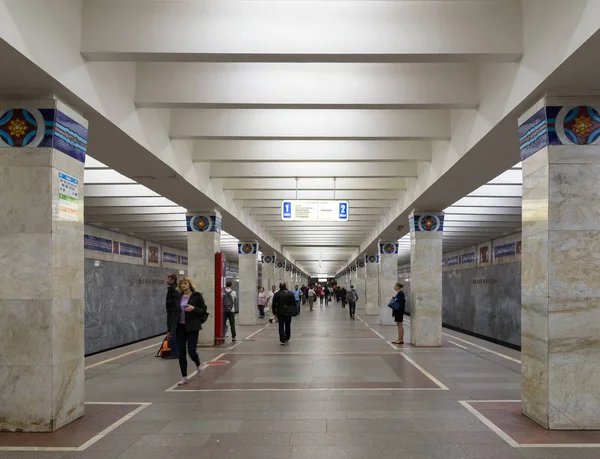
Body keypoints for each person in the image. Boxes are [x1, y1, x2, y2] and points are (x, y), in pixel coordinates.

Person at [166, 277, 207, 386]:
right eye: (182, 284)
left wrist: (194, 308)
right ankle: (184, 376)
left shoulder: (196, 296)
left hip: (192, 327)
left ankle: (198, 364)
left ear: (189, 285)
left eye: (185, 283)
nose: (183, 285)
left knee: (191, 351)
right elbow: (174, 314)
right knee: (181, 352)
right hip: (180, 327)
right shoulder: (177, 297)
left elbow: (203, 310)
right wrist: (170, 330)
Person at [165, 274, 179, 356]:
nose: (167, 280)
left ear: (173, 280)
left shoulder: (172, 289)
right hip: (174, 313)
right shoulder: (176, 288)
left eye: (168, 279)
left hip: (173, 314)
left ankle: (174, 352)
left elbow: (173, 302)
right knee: (174, 331)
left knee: (172, 332)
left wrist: (171, 311)